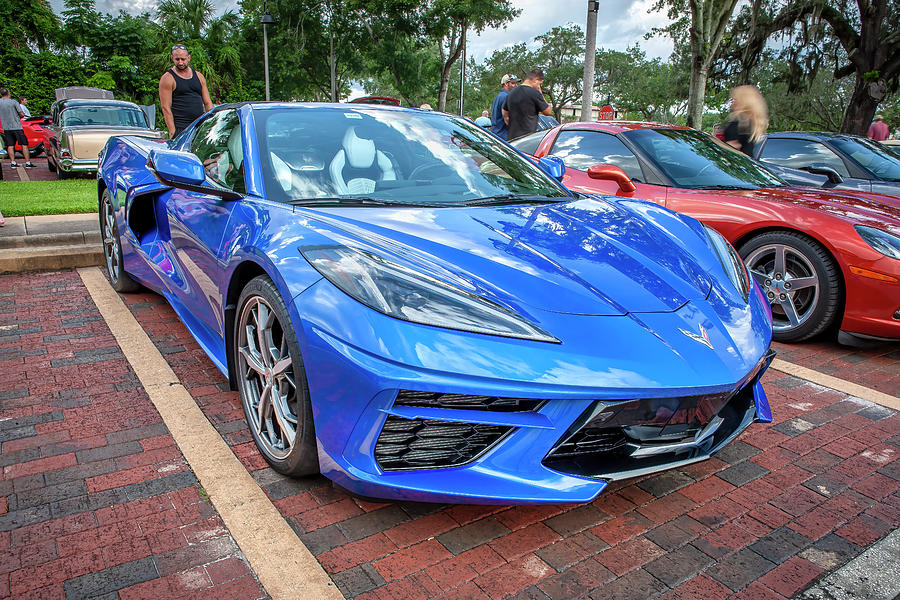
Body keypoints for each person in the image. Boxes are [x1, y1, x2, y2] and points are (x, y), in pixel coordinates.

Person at [159, 44, 214, 139]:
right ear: (172, 58)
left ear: (188, 58)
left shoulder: (199, 76)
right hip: (181, 129)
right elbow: (166, 108)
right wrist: (173, 132)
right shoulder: (168, 78)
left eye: (183, 59)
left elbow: (208, 103)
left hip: (199, 127)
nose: (180, 62)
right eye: (177, 59)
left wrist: (211, 126)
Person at [502, 69, 552, 141]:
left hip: (512, 138)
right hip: (528, 138)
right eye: (539, 83)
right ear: (535, 79)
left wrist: (510, 124)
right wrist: (540, 93)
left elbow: (504, 112)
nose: (539, 86)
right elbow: (548, 112)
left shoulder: (511, 93)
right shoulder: (534, 93)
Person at [723, 85, 768, 156]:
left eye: (735, 99)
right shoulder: (753, 122)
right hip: (747, 163)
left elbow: (732, 146)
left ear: (743, 101)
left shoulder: (740, 120)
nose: (733, 102)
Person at [0, 88, 34, 169]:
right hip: (16, 126)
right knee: (24, 144)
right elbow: (22, 114)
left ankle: (13, 162)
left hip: (6, 127)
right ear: (8, 93)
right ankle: (28, 162)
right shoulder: (13, 102)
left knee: (10, 145)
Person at [490, 74, 518, 140]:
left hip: (497, 135)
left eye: (516, 83)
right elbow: (507, 118)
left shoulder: (500, 96)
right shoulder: (506, 97)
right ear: (506, 84)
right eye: (513, 83)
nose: (516, 85)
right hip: (504, 137)